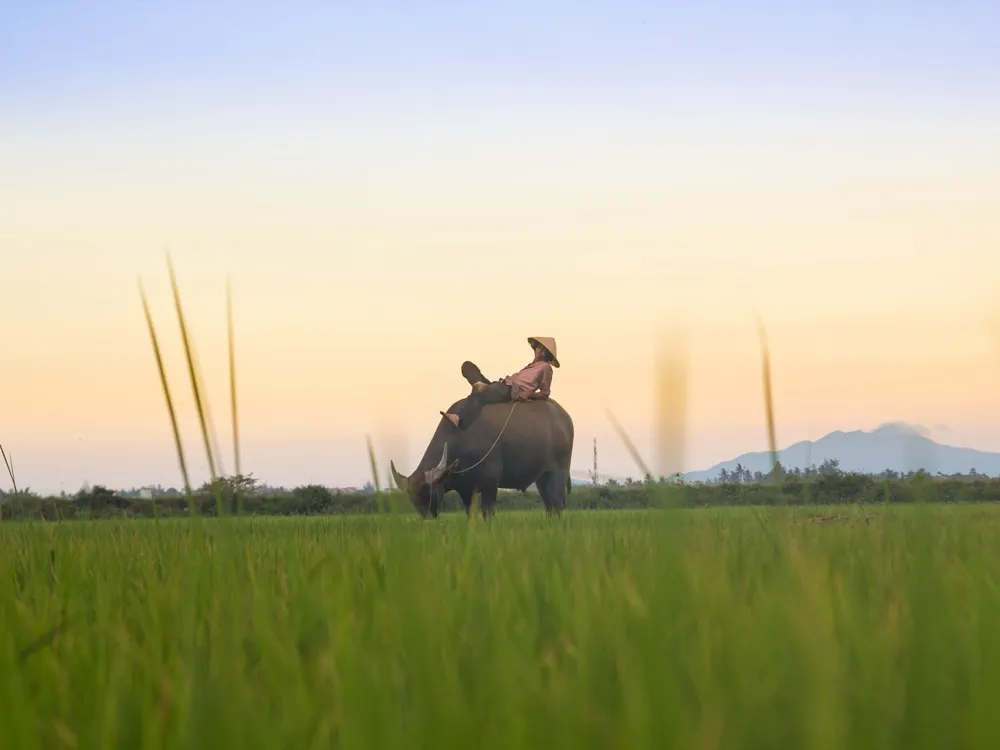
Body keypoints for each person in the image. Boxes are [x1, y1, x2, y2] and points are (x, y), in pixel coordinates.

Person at [441, 337, 559, 429]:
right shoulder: (532, 365)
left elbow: (545, 393)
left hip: (510, 389)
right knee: (467, 366)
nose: (538, 350)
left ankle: (460, 418)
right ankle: (479, 384)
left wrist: (528, 393)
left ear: (545, 353)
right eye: (538, 347)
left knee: (481, 395)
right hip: (500, 385)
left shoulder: (545, 367)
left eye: (541, 349)